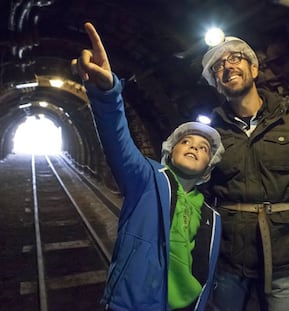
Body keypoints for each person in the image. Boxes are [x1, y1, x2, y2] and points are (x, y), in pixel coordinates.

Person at [71, 22, 225, 311]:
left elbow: (205, 272)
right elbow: (118, 141)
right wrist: (107, 94)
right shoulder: (147, 179)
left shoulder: (212, 218)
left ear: (207, 168)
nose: (194, 146)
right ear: (169, 151)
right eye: (187, 142)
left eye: (203, 148)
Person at [200, 37, 289, 311]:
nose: (227, 66)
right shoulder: (211, 133)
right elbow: (199, 191)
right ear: (216, 82)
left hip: (284, 255)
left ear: (254, 69)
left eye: (235, 58)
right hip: (228, 257)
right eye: (218, 66)